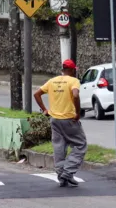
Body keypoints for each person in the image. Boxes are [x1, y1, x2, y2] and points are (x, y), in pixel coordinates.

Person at [34, 59, 87, 187]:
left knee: (59, 146)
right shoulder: (73, 81)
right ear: (73, 70)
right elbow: (75, 95)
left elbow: (37, 94)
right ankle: (68, 172)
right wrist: (78, 112)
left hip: (54, 120)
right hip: (69, 119)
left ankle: (61, 175)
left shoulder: (52, 81)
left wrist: (45, 110)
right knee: (80, 145)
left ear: (62, 70)